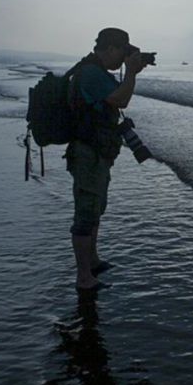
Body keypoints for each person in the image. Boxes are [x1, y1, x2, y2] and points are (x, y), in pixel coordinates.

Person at [66, 27, 146, 292]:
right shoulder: (90, 73)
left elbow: (117, 96)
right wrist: (131, 72)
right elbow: (121, 100)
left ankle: (92, 260)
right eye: (122, 53)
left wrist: (132, 71)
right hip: (87, 153)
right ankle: (83, 277)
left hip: (97, 152)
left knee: (96, 207)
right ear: (110, 49)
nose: (122, 59)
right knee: (86, 213)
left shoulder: (98, 72)